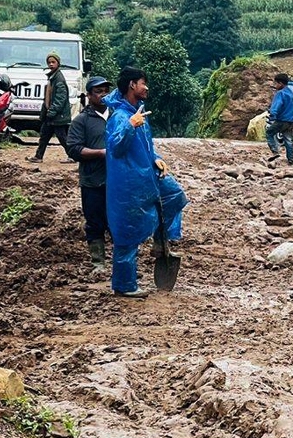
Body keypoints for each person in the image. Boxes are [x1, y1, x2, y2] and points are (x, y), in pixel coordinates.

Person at [103, 67, 188, 298]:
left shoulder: (139, 113)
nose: (146, 87)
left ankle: (160, 239)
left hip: (147, 174)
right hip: (129, 183)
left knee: (175, 196)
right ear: (132, 85)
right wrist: (131, 125)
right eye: (143, 83)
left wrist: (157, 159)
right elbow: (116, 147)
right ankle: (124, 285)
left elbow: (146, 147)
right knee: (127, 232)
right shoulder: (121, 117)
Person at [66, 76, 111, 275]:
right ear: (89, 96)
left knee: (118, 221)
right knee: (94, 221)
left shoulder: (117, 115)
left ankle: (121, 262)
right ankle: (98, 262)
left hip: (117, 180)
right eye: (98, 92)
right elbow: (73, 149)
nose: (102, 95)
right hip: (92, 180)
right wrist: (101, 153)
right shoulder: (81, 121)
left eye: (105, 91)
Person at [28, 52, 73, 163]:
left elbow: (60, 99)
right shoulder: (53, 77)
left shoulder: (59, 79)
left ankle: (73, 156)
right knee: (44, 135)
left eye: (53, 62)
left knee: (62, 137)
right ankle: (38, 156)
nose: (51, 64)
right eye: (49, 62)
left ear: (58, 63)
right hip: (52, 114)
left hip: (57, 115)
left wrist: (52, 112)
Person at [266, 72, 293, 166]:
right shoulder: (291, 94)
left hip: (281, 120)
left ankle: (275, 152)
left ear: (280, 83)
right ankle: (291, 159)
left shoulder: (280, 93)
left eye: (276, 83)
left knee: (269, 132)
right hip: (290, 121)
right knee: (288, 140)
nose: (275, 86)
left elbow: (276, 106)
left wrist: (272, 115)